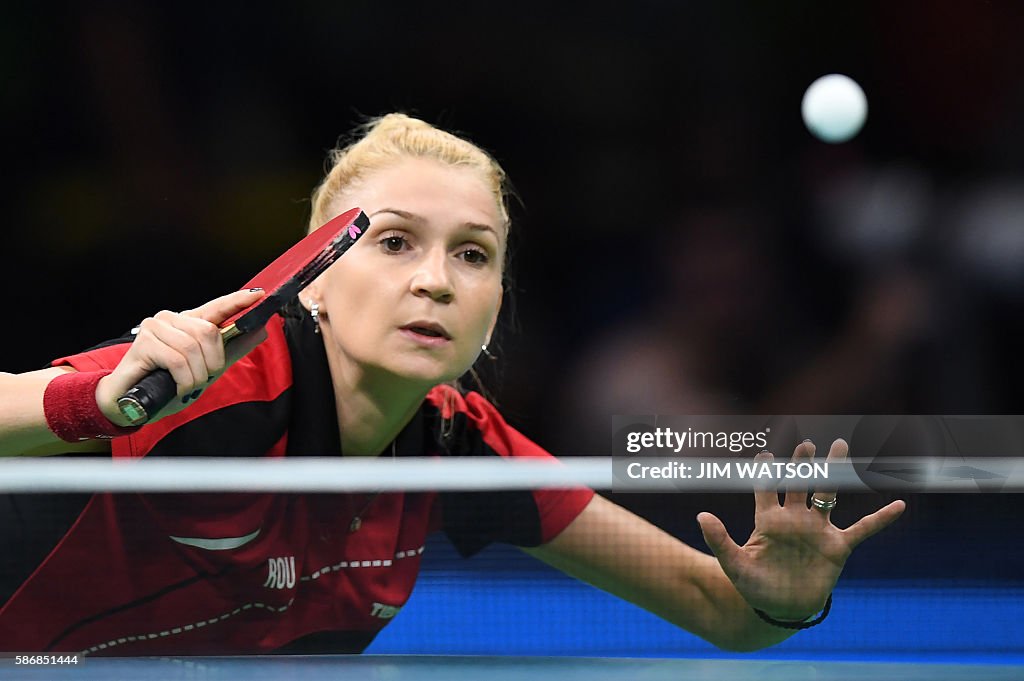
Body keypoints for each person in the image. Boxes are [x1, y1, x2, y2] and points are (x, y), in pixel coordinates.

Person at [0, 114, 904, 656]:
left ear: (497, 299)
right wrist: (96, 398)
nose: (436, 280)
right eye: (395, 241)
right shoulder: (216, 375)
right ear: (315, 272)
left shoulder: (453, 440)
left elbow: (721, 611)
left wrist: (789, 599)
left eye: (472, 255)